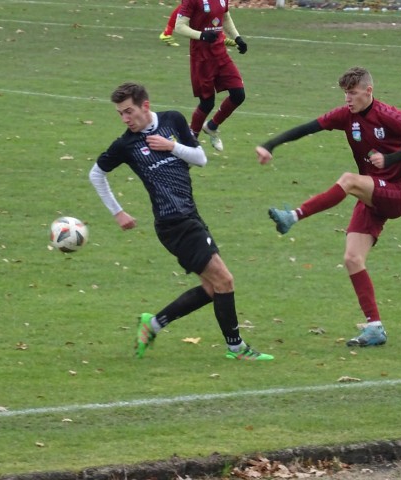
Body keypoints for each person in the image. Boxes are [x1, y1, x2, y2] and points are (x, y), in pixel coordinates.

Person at [89, 82, 273, 361]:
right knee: (225, 280)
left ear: (145, 106)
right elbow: (96, 174)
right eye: (120, 114)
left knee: (213, 288)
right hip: (172, 223)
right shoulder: (126, 144)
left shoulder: (172, 120)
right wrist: (118, 212)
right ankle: (236, 348)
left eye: (129, 112)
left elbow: (201, 159)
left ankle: (153, 324)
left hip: (190, 216)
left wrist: (171, 146)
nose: (126, 119)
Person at [256, 67, 401, 347]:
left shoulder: (388, 115)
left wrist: (391, 160)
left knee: (349, 181)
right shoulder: (346, 116)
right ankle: (374, 327)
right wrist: (270, 144)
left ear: (368, 91)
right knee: (352, 259)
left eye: (352, 93)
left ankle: (293, 216)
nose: (347, 99)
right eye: (345, 94)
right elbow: (308, 128)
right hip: (372, 195)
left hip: (399, 193)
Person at [173, 0, 248, 152]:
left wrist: (237, 37)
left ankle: (212, 126)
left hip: (221, 54)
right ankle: (191, 140)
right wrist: (201, 35)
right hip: (202, 58)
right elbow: (179, 26)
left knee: (238, 94)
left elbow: (225, 16)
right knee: (207, 103)